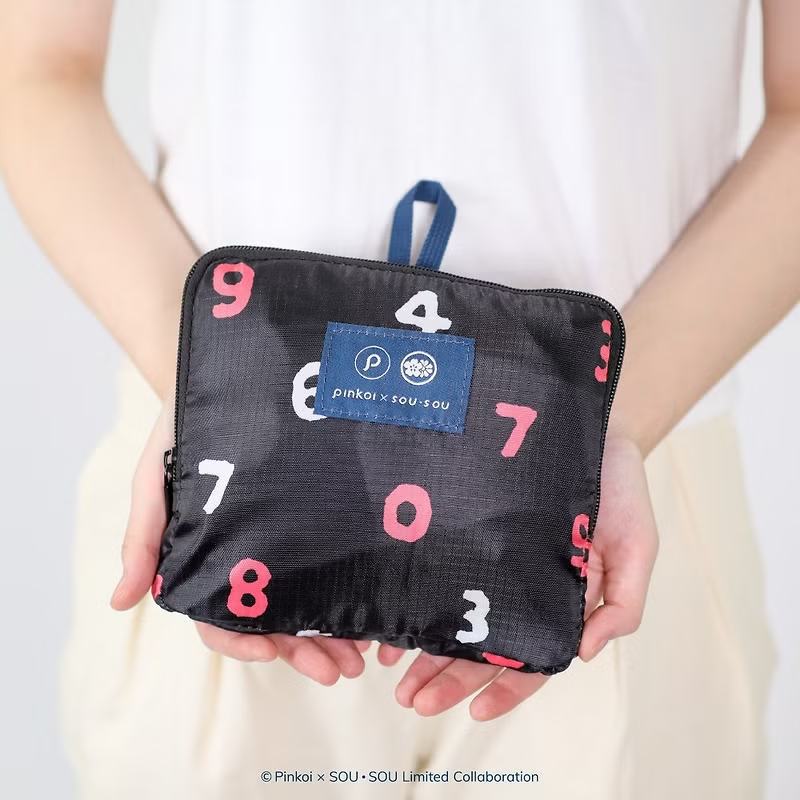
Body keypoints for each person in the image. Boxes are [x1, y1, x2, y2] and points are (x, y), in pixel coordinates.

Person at [1, 1, 797, 798]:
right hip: (215, 467)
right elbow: (37, 70)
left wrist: (609, 428)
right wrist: (207, 385)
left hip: (616, 509)